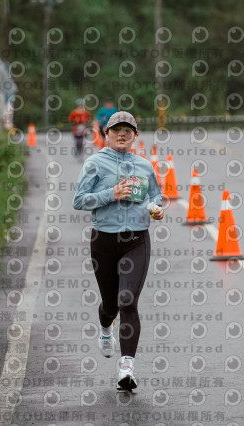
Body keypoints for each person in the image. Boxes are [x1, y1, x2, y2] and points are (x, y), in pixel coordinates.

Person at [72, 111, 164, 392]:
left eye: (128, 130)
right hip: (104, 241)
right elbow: (79, 200)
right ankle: (105, 328)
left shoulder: (144, 165)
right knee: (111, 305)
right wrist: (110, 194)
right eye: (116, 129)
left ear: (136, 135)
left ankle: (127, 367)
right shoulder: (94, 163)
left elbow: (155, 195)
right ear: (106, 133)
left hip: (136, 240)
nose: (122, 134)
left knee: (128, 301)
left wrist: (157, 208)